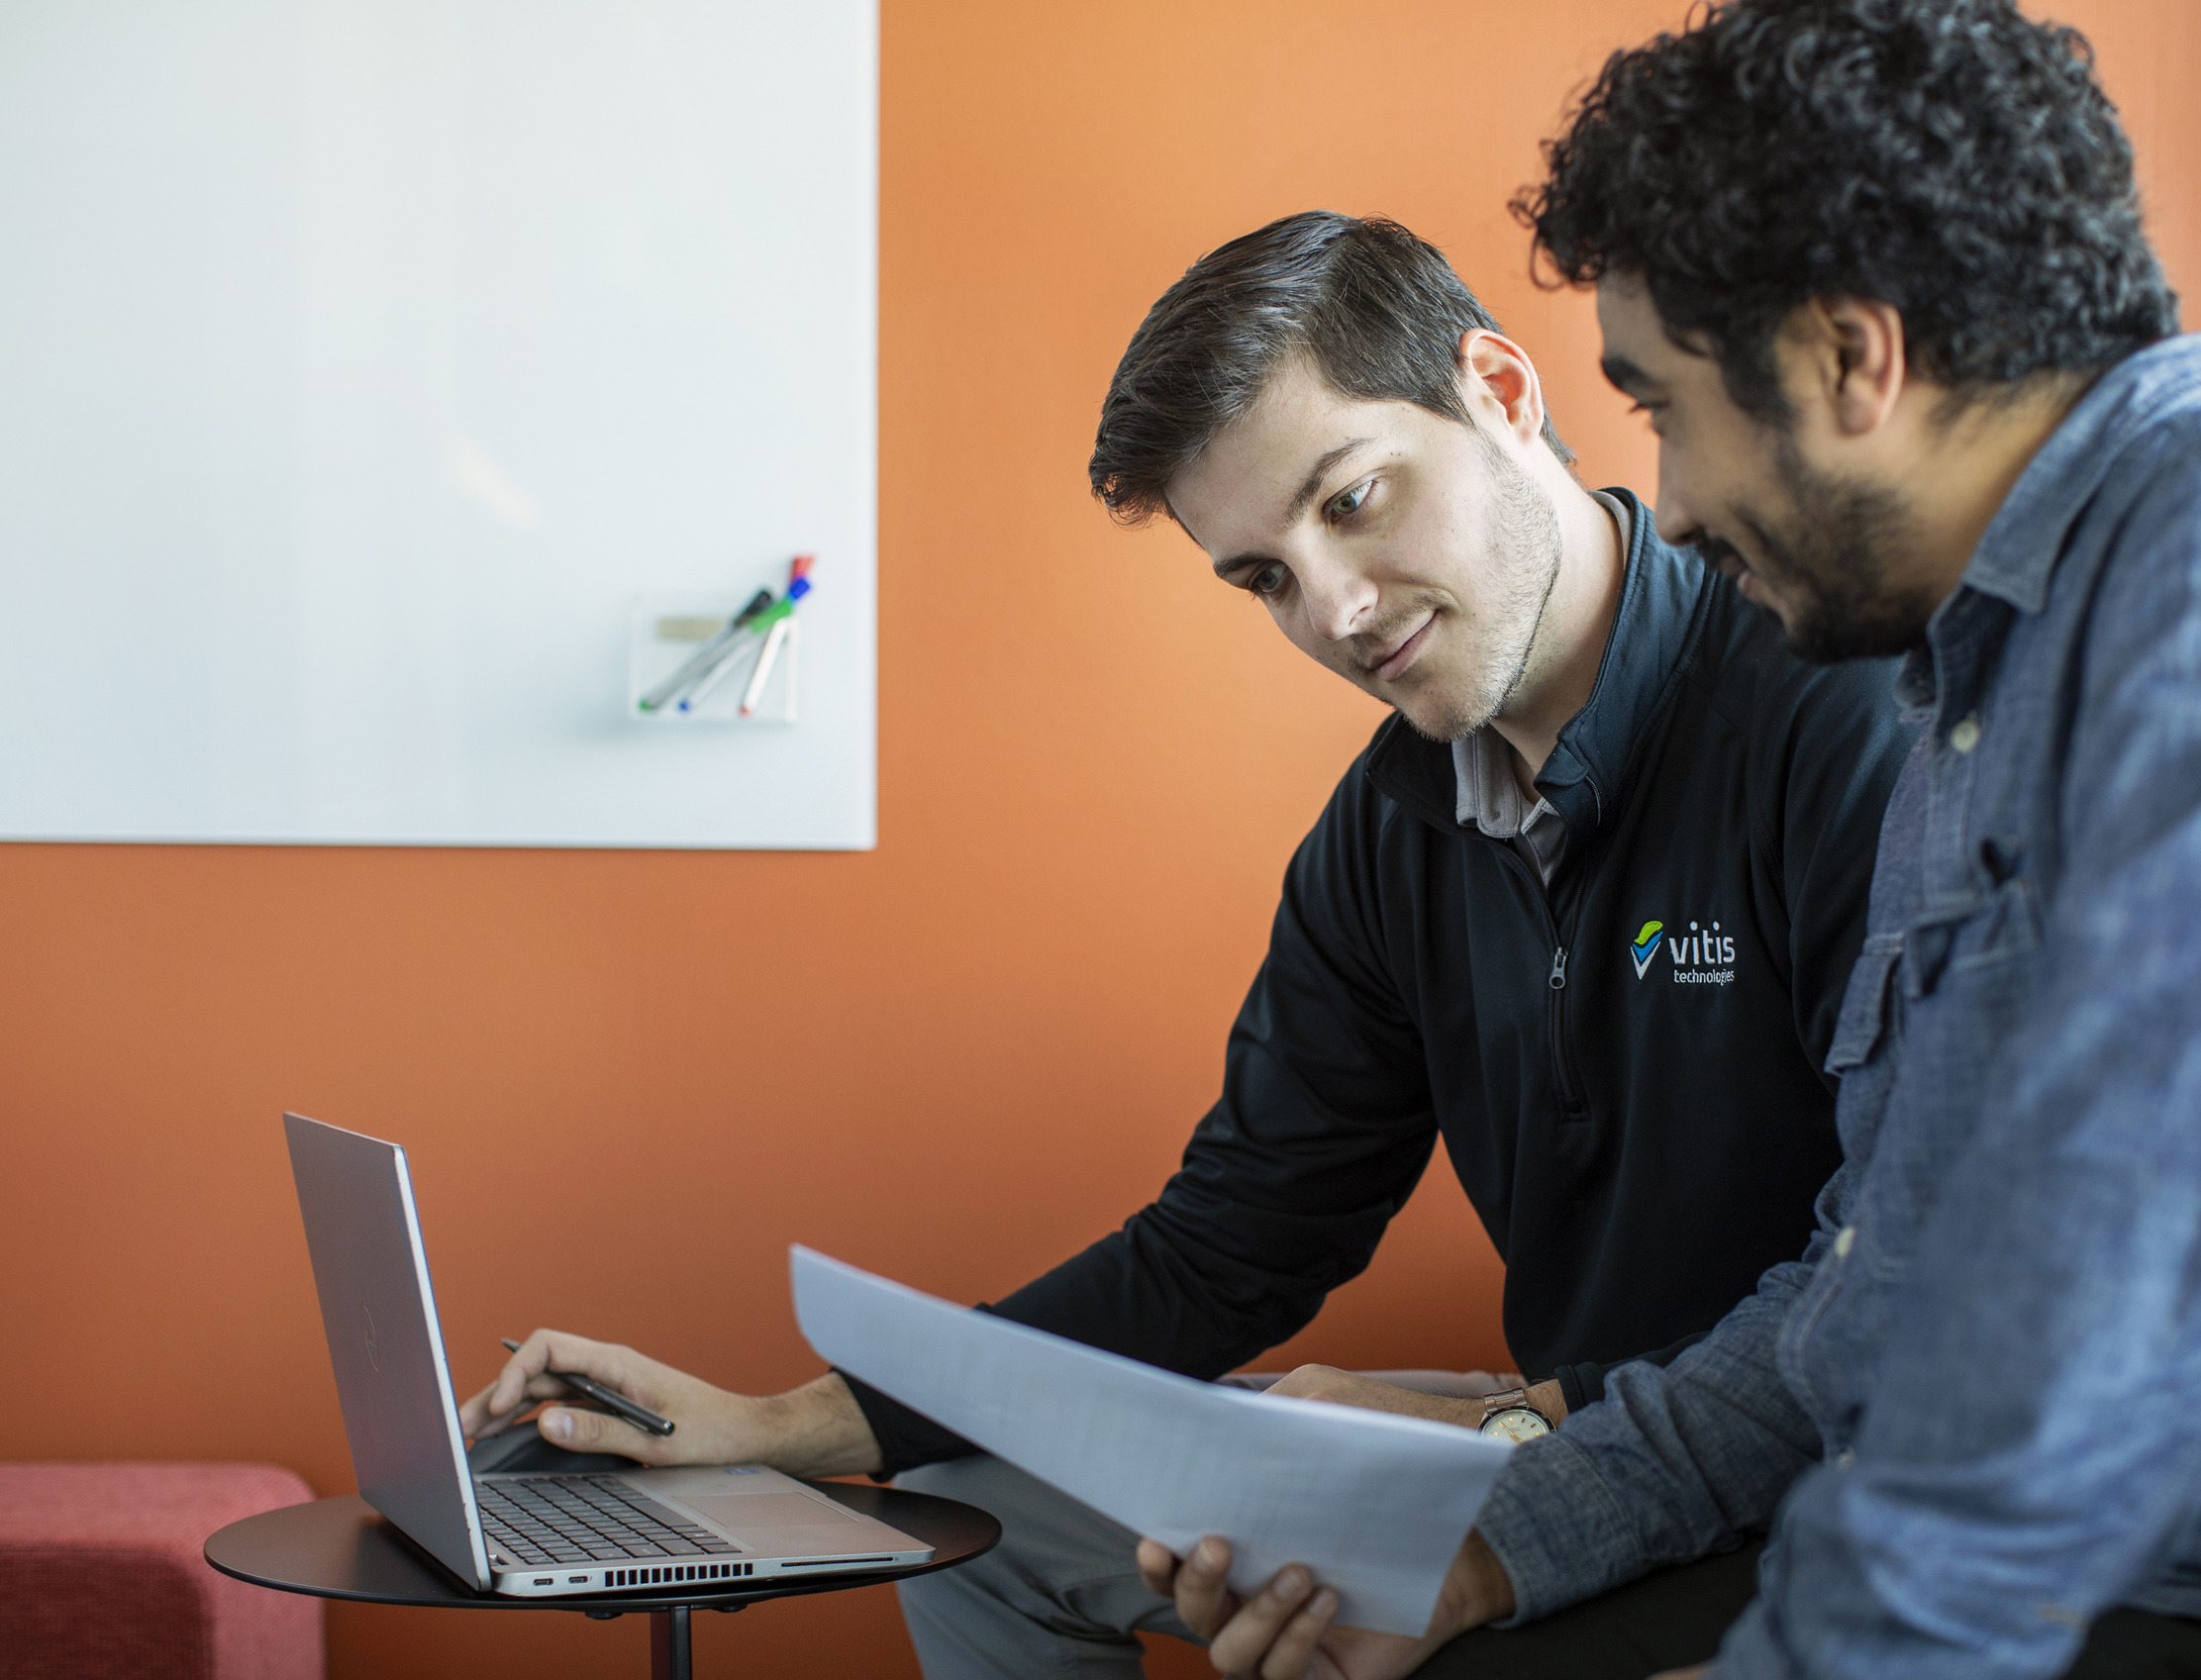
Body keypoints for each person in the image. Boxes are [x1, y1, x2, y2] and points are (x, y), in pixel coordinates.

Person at [1140, 4, 2201, 1678]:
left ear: (1853, 359)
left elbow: (2156, 1266)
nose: (1676, 497)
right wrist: (1498, 1545)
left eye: (1664, 405)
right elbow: (1863, 1300)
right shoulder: (1965, 694)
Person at [458, 212, 1914, 1677]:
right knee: (972, 1520)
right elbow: (1224, 1248)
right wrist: (778, 1425)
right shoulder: (1390, 827)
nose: (1333, 612)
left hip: (1838, 1454)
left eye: (1351, 501)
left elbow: (1901, 1285)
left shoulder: (1831, 712)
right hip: (1536, 1415)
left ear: (1500, 390)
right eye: (1263, 577)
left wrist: (1509, 1430)